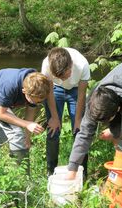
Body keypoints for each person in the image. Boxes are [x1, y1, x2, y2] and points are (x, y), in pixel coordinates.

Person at [0, 68, 50, 175]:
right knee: (16, 133)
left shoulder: (38, 85)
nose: (37, 103)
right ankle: (21, 178)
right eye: (33, 100)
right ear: (24, 91)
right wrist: (27, 124)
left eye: (40, 101)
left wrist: (28, 137)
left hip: (5, 102)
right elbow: (1, 113)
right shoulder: (11, 86)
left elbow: (31, 110)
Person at [41, 47, 90, 177]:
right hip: (55, 90)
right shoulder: (46, 64)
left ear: (71, 66)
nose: (63, 80)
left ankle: (82, 172)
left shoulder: (82, 64)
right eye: (59, 77)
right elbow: (49, 91)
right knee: (53, 130)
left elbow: (81, 94)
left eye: (65, 76)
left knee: (80, 132)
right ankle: (51, 172)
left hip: (75, 91)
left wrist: (78, 120)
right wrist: (55, 118)